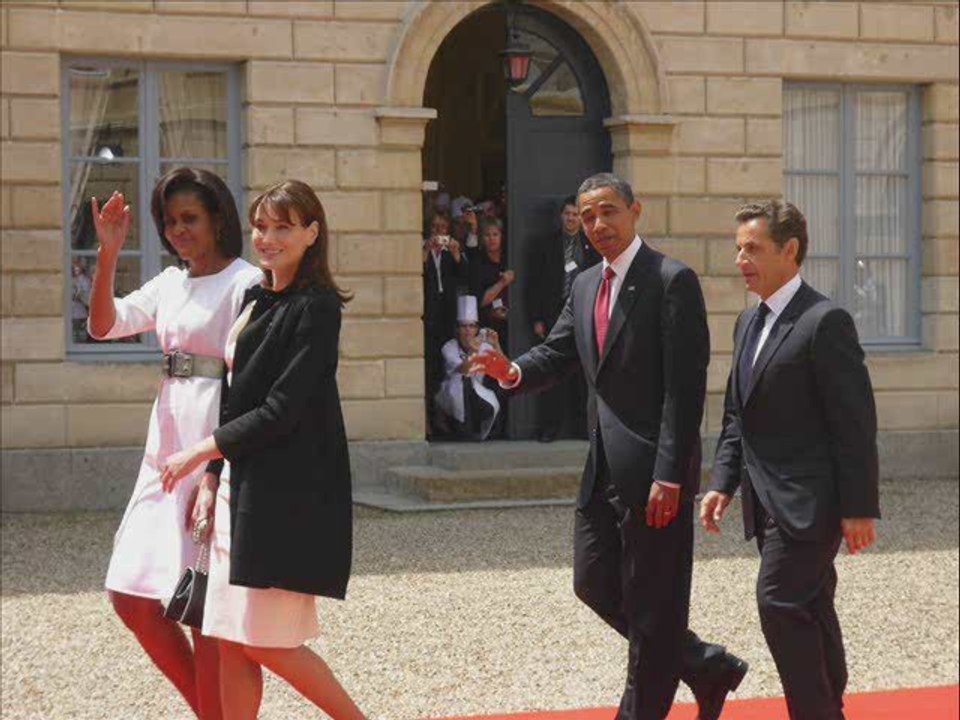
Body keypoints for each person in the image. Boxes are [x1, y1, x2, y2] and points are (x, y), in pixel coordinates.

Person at [470, 173, 747, 720]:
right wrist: (511, 371)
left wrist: (671, 473)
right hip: (603, 468)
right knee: (593, 582)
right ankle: (701, 663)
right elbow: (557, 353)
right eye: (588, 215)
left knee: (653, 604)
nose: (598, 224)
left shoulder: (670, 280)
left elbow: (684, 390)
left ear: (635, 211)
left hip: (656, 474)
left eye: (608, 211)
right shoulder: (584, 284)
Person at [160, 180, 364, 720]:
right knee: (230, 638)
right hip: (240, 487)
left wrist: (197, 452)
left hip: (288, 494)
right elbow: (236, 397)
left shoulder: (318, 308)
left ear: (312, 233)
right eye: (261, 226)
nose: (268, 238)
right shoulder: (255, 297)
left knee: (268, 643)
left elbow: (282, 409)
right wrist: (212, 476)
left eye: (283, 227)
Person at [88, 167, 262, 720]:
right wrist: (109, 253)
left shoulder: (247, 282)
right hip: (163, 449)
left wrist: (216, 467)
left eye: (190, 218)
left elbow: (249, 383)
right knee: (130, 594)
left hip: (213, 445)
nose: (178, 229)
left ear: (218, 219)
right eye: (169, 221)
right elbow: (102, 325)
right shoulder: (168, 282)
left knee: (204, 606)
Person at [700, 201, 880, 720]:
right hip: (766, 502)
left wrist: (859, 507)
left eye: (752, 249)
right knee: (812, 605)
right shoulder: (746, 322)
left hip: (812, 502)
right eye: (738, 248)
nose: (740, 260)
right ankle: (829, 706)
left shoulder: (825, 321)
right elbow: (737, 415)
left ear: (790, 250)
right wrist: (722, 482)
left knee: (778, 602)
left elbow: (854, 423)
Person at [527, 194, 600, 442]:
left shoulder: (592, 245)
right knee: (551, 373)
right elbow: (534, 284)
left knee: (582, 374)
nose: (571, 218)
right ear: (561, 216)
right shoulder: (546, 244)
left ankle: (581, 427)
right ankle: (550, 428)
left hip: (583, 314)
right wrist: (537, 318)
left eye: (575, 214)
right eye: (567, 214)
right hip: (554, 316)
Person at [423, 210, 468, 437]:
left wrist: (457, 254)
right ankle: (427, 417)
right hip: (429, 315)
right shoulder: (423, 249)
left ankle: (444, 416)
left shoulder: (452, 250)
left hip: (447, 315)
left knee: (446, 365)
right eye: (435, 227)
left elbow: (465, 276)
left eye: (443, 228)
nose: (439, 232)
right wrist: (426, 251)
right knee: (429, 367)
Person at [434, 295, 502, 440]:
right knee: (462, 384)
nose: (467, 331)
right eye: (463, 326)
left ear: (477, 329)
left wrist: (496, 345)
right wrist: (473, 351)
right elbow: (464, 370)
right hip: (451, 393)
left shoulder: (484, 346)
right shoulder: (449, 346)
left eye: (471, 326)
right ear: (457, 329)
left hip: (479, 394)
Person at [471, 217, 514, 353]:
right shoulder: (478, 262)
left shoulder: (511, 257)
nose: (492, 239)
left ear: (502, 236)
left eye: (495, 234)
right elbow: (480, 300)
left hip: (513, 325)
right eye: (487, 235)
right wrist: (502, 283)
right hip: (488, 326)